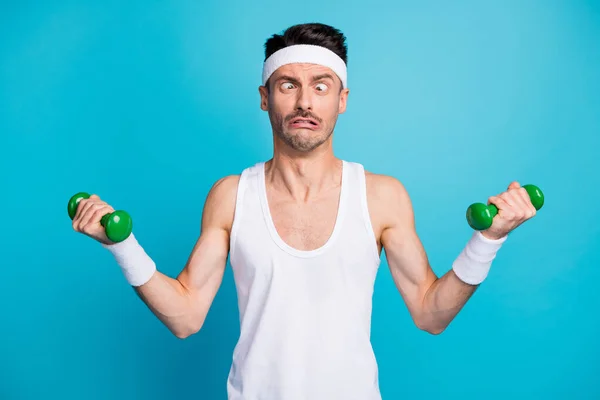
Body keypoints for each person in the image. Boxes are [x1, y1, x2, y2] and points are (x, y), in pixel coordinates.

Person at [71, 23, 538, 400]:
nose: (304, 102)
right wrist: (121, 244)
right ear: (264, 97)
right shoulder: (231, 195)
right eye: (288, 85)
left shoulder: (381, 196)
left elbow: (430, 314)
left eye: (321, 86)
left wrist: (488, 239)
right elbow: (185, 316)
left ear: (342, 99)